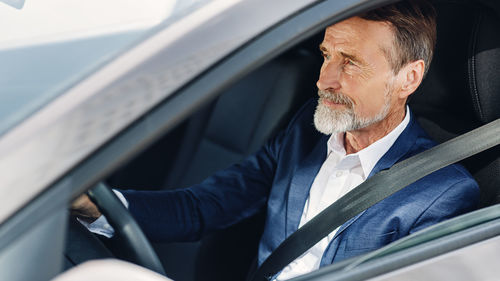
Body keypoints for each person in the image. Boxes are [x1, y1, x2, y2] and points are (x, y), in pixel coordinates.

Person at [72, 1, 479, 280]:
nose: (324, 80)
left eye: (350, 62)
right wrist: (94, 208)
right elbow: (207, 206)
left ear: (408, 77)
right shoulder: (307, 131)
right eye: (326, 55)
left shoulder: (441, 194)